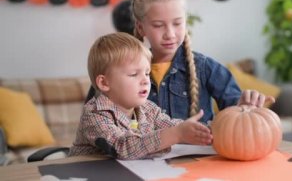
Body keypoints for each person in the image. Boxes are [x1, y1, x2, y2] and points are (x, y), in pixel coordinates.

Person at [131, 0, 275, 123]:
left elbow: (235, 114)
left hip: (199, 147)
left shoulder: (205, 67)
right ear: (140, 27)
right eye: (158, 25)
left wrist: (244, 106)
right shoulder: (127, 72)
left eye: (177, 23)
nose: (170, 33)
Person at [69, 32, 212, 160]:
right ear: (104, 83)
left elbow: (173, 126)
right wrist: (177, 134)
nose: (145, 80)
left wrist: (209, 132)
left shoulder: (147, 109)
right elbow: (123, 148)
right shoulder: (94, 115)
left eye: (147, 73)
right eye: (133, 74)